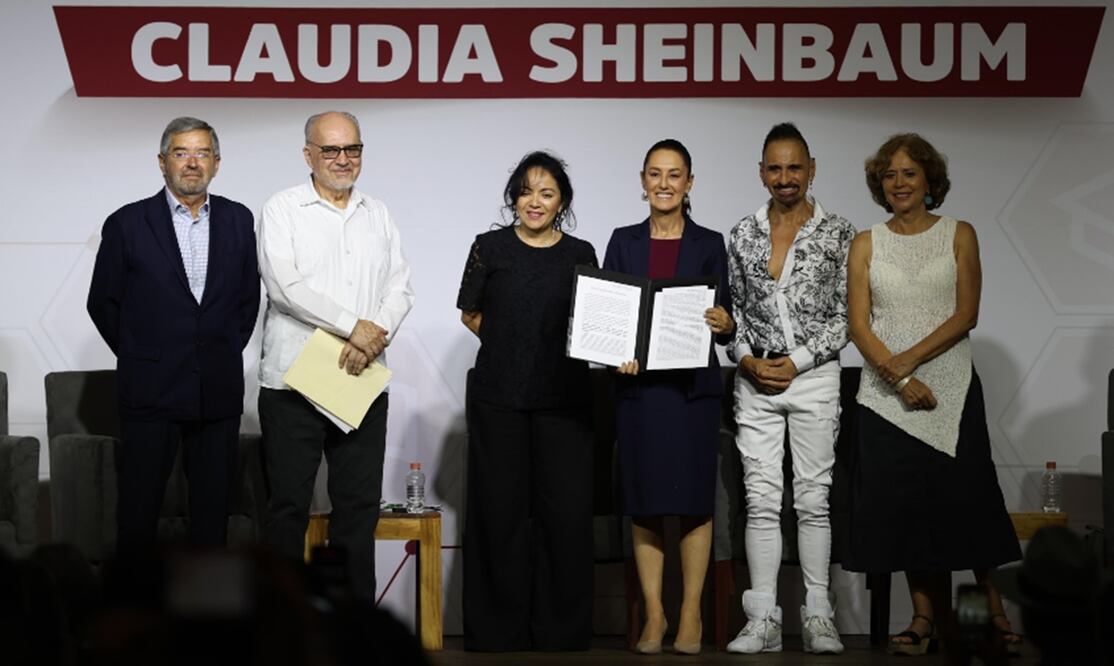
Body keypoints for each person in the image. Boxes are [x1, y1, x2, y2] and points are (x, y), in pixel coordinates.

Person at [845, 133, 1021, 656]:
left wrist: (912, 360)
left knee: (966, 509)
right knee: (908, 513)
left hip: (952, 388)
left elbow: (967, 314)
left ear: (929, 181)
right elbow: (859, 324)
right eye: (889, 175)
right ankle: (926, 618)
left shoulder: (960, 234)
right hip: (886, 396)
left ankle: (984, 614)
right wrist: (898, 378)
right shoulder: (865, 242)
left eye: (909, 174)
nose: (898, 183)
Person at [257, 111, 415, 602]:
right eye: (331, 150)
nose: (342, 160)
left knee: (357, 509)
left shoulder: (378, 212)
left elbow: (400, 286)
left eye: (352, 149)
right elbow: (286, 288)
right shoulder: (282, 209)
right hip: (292, 383)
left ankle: (349, 626)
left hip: (360, 379)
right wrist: (354, 327)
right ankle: (285, 626)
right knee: (287, 510)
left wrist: (374, 332)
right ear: (308, 154)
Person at [87, 116, 259, 553]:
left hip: (216, 392)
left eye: (202, 153)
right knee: (139, 515)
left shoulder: (239, 220)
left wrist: (215, 352)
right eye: (181, 153)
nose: (192, 163)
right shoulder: (127, 223)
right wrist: (141, 354)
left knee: (211, 519)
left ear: (217, 164)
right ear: (161, 162)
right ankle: (133, 617)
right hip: (150, 390)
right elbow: (103, 302)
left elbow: (246, 302)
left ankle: (206, 617)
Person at [457, 151, 598, 651]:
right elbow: (470, 312)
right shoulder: (489, 247)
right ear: (513, 196)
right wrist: (510, 345)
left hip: (567, 402)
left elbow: (596, 325)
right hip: (499, 400)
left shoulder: (581, 252)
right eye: (526, 191)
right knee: (499, 517)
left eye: (546, 193)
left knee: (565, 519)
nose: (534, 202)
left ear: (562, 202)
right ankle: (497, 631)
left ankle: (561, 632)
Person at [724, 123, 854, 655]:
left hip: (815, 377)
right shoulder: (742, 234)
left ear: (812, 169)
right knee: (760, 502)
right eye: (774, 168)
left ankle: (820, 615)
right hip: (755, 378)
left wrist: (797, 362)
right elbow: (731, 315)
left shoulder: (840, 233)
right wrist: (749, 359)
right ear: (761, 172)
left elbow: (848, 316)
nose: (785, 178)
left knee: (813, 501)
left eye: (794, 167)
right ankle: (762, 620)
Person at [603, 139, 734, 655]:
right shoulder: (621, 240)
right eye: (655, 174)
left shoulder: (710, 241)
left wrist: (726, 322)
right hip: (639, 391)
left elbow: (722, 317)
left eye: (674, 175)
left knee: (695, 504)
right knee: (646, 505)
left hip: (691, 394)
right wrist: (616, 350)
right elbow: (611, 312)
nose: (663, 183)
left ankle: (691, 615)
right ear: (642, 181)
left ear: (689, 183)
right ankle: (655, 615)